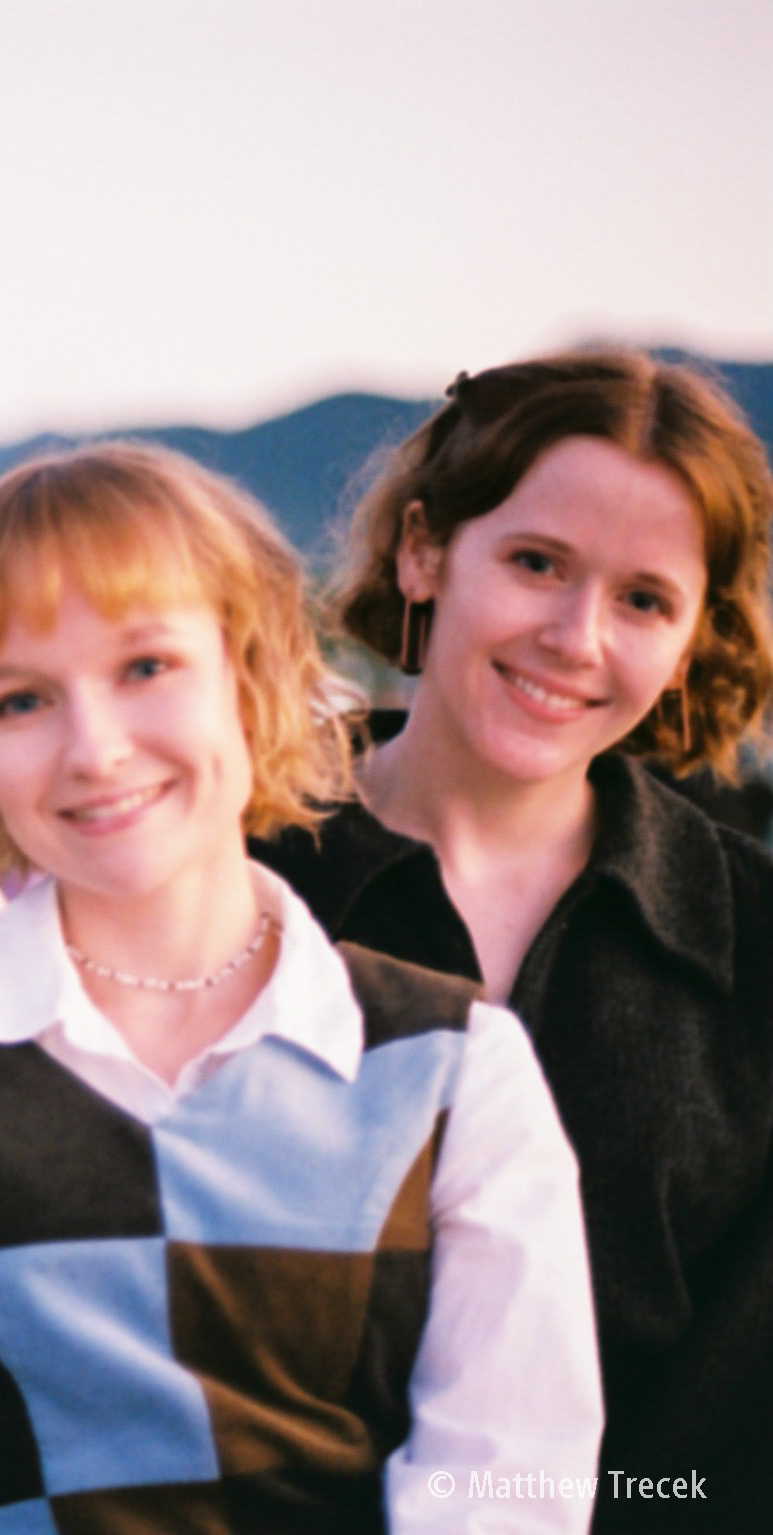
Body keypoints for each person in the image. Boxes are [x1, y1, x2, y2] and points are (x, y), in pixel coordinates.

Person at [0, 443, 603, 1534]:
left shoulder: (454, 1063)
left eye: (145, 667)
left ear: (254, 675)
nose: (94, 748)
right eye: (19, 699)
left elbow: (507, 1493)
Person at [255, 348, 773, 1532]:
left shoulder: (753, 942)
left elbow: (736, 1436)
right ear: (423, 549)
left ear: (691, 636)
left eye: (643, 599)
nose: (575, 636)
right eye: (536, 562)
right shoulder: (230, 879)